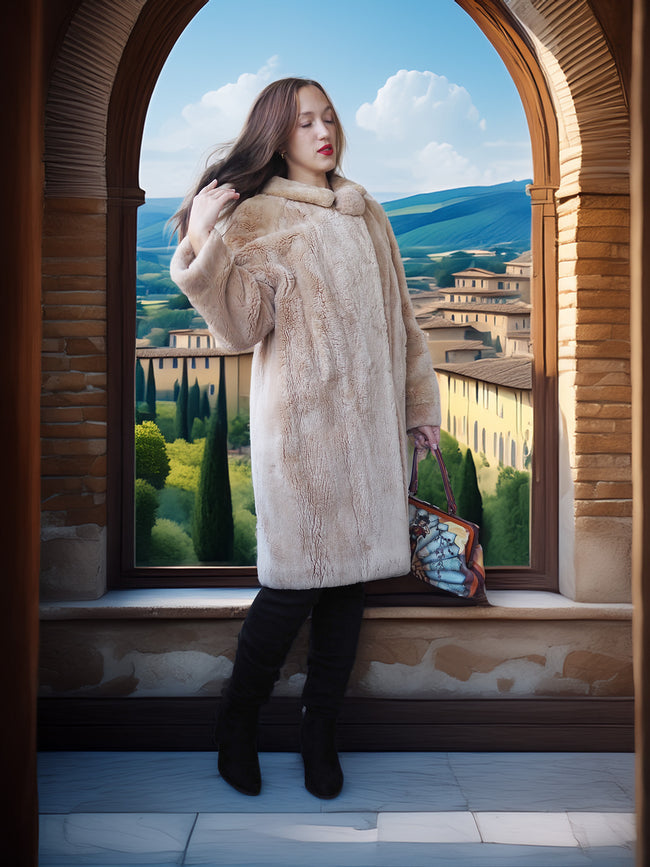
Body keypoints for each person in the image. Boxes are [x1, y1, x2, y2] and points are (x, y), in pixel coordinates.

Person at [170, 77, 441, 800]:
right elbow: (239, 327)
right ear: (276, 135)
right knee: (290, 591)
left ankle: (321, 732)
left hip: (374, 439)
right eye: (304, 123)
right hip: (302, 440)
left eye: (329, 118)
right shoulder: (256, 218)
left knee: (349, 592)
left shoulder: (366, 211)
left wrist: (420, 407)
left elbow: (406, 320)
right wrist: (203, 235)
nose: (323, 132)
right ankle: (238, 721)